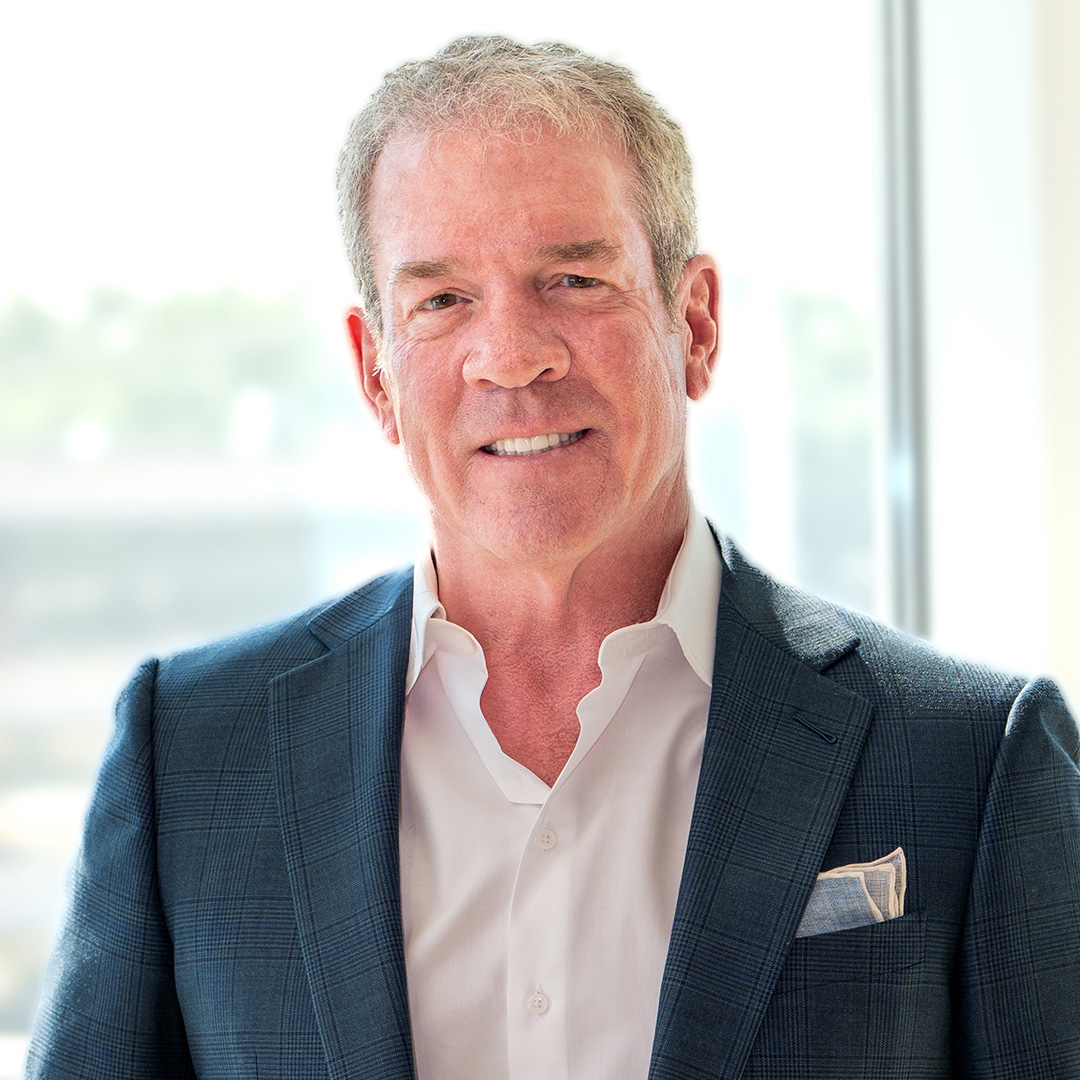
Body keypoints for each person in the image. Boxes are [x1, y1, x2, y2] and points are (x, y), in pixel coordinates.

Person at [26, 35, 1080, 1080]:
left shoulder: (974, 756)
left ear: (696, 324)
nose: (512, 356)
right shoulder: (191, 754)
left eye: (573, 278)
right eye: (442, 301)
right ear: (375, 372)